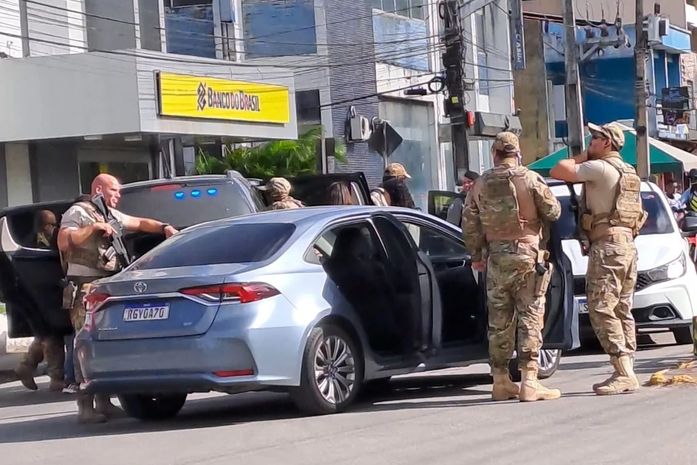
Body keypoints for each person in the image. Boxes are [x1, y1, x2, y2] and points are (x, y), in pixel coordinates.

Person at [57, 174, 178, 423]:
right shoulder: (78, 212)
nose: (118, 195)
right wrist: (92, 229)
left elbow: (139, 222)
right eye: (114, 190)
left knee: (103, 344)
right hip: (85, 289)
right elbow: (63, 241)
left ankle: (104, 401)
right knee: (85, 344)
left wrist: (163, 227)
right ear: (99, 189)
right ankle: (85, 408)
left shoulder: (109, 214)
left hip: (106, 287)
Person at [462, 132, 562, 402]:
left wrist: (476, 255)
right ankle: (530, 381)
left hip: (496, 258)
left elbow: (469, 224)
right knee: (529, 316)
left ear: (494, 154)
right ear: (517, 153)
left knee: (499, 321)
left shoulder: (480, 184)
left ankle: (500, 381)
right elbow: (553, 212)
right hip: (527, 254)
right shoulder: (530, 179)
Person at [549, 122, 646, 396]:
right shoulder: (628, 171)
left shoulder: (600, 167)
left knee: (602, 307)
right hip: (625, 245)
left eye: (595, 138)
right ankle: (628, 368)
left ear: (607, 143)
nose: (591, 142)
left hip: (608, 246)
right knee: (621, 309)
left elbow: (558, 170)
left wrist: (583, 157)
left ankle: (623, 372)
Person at [14, 210, 65, 392]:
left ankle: (26, 366)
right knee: (52, 334)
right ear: (46, 226)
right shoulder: (36, 245)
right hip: (38, 297)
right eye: (53, 225)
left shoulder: (31, 241)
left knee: (45, 333)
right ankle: (56, 377)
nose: (56, 229)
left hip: (37, 297)